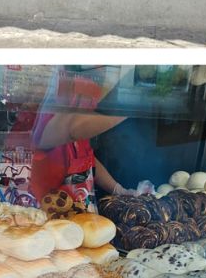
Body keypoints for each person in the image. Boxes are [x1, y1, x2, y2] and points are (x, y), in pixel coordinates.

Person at [28, 67, 133, 209]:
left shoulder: (80, 132)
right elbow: (71, 129)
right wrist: (135, 107)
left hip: (83, 218)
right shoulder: (50, 121)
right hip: (48, 220)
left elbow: (87, 163)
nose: (91, 103)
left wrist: (118, 190)